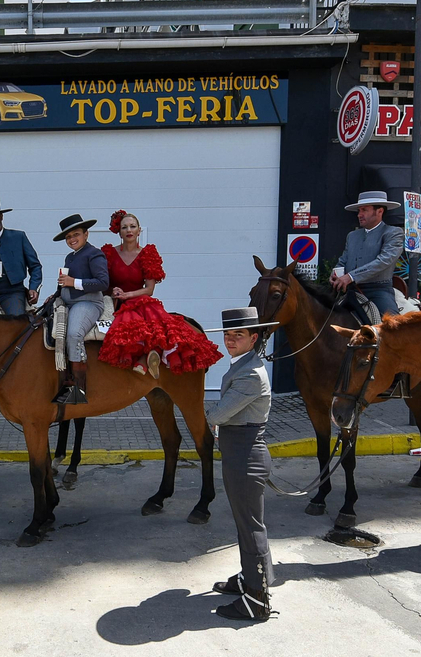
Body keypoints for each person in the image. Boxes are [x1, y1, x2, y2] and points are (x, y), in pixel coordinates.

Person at [204, 307, 280, 623]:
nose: (231, 340)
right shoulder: (243, 364)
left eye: (238, 335)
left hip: (246, 457)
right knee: (246, 525)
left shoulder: (250, 373)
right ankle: (252, 581)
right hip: (240, 453)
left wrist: (213, 419)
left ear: (254, 337)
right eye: (228, 334)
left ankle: (257, 601)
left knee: (251, 528)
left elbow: (218, 414)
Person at [97, 210, 221, 377]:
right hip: (116, 302)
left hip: (140, 301)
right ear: (119, 231)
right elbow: (103, 282)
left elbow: (149, 289)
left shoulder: (148, 254)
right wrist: (113, 290)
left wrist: (128, 295)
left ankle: (149, 357)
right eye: (124, 227)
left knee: (161, 330)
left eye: (133, 226)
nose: (129, 230)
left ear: (139, 230)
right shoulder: (109, 253)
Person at [52, 213, 109, 405]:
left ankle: (79, 388)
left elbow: (103, 282)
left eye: (76, 234)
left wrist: (72, 282)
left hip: (89, 303)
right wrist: (57, 292)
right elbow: (66, 283)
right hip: (68, 302)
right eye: (68, 237)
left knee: (74, 334)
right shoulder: (70, 257)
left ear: (86, 234)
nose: (72, 239)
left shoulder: (95, 254)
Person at [332, 191, 405, 321]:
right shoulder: (352, 236)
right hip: (349, 291)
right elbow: (343, 260)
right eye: (359, 210)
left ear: (380, 211)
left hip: (378, 290)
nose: (359, 215)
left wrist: (350, 276)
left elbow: (384, 261)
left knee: (393, 325)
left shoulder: (393, 233)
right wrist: (335, 275)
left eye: (364, 210)